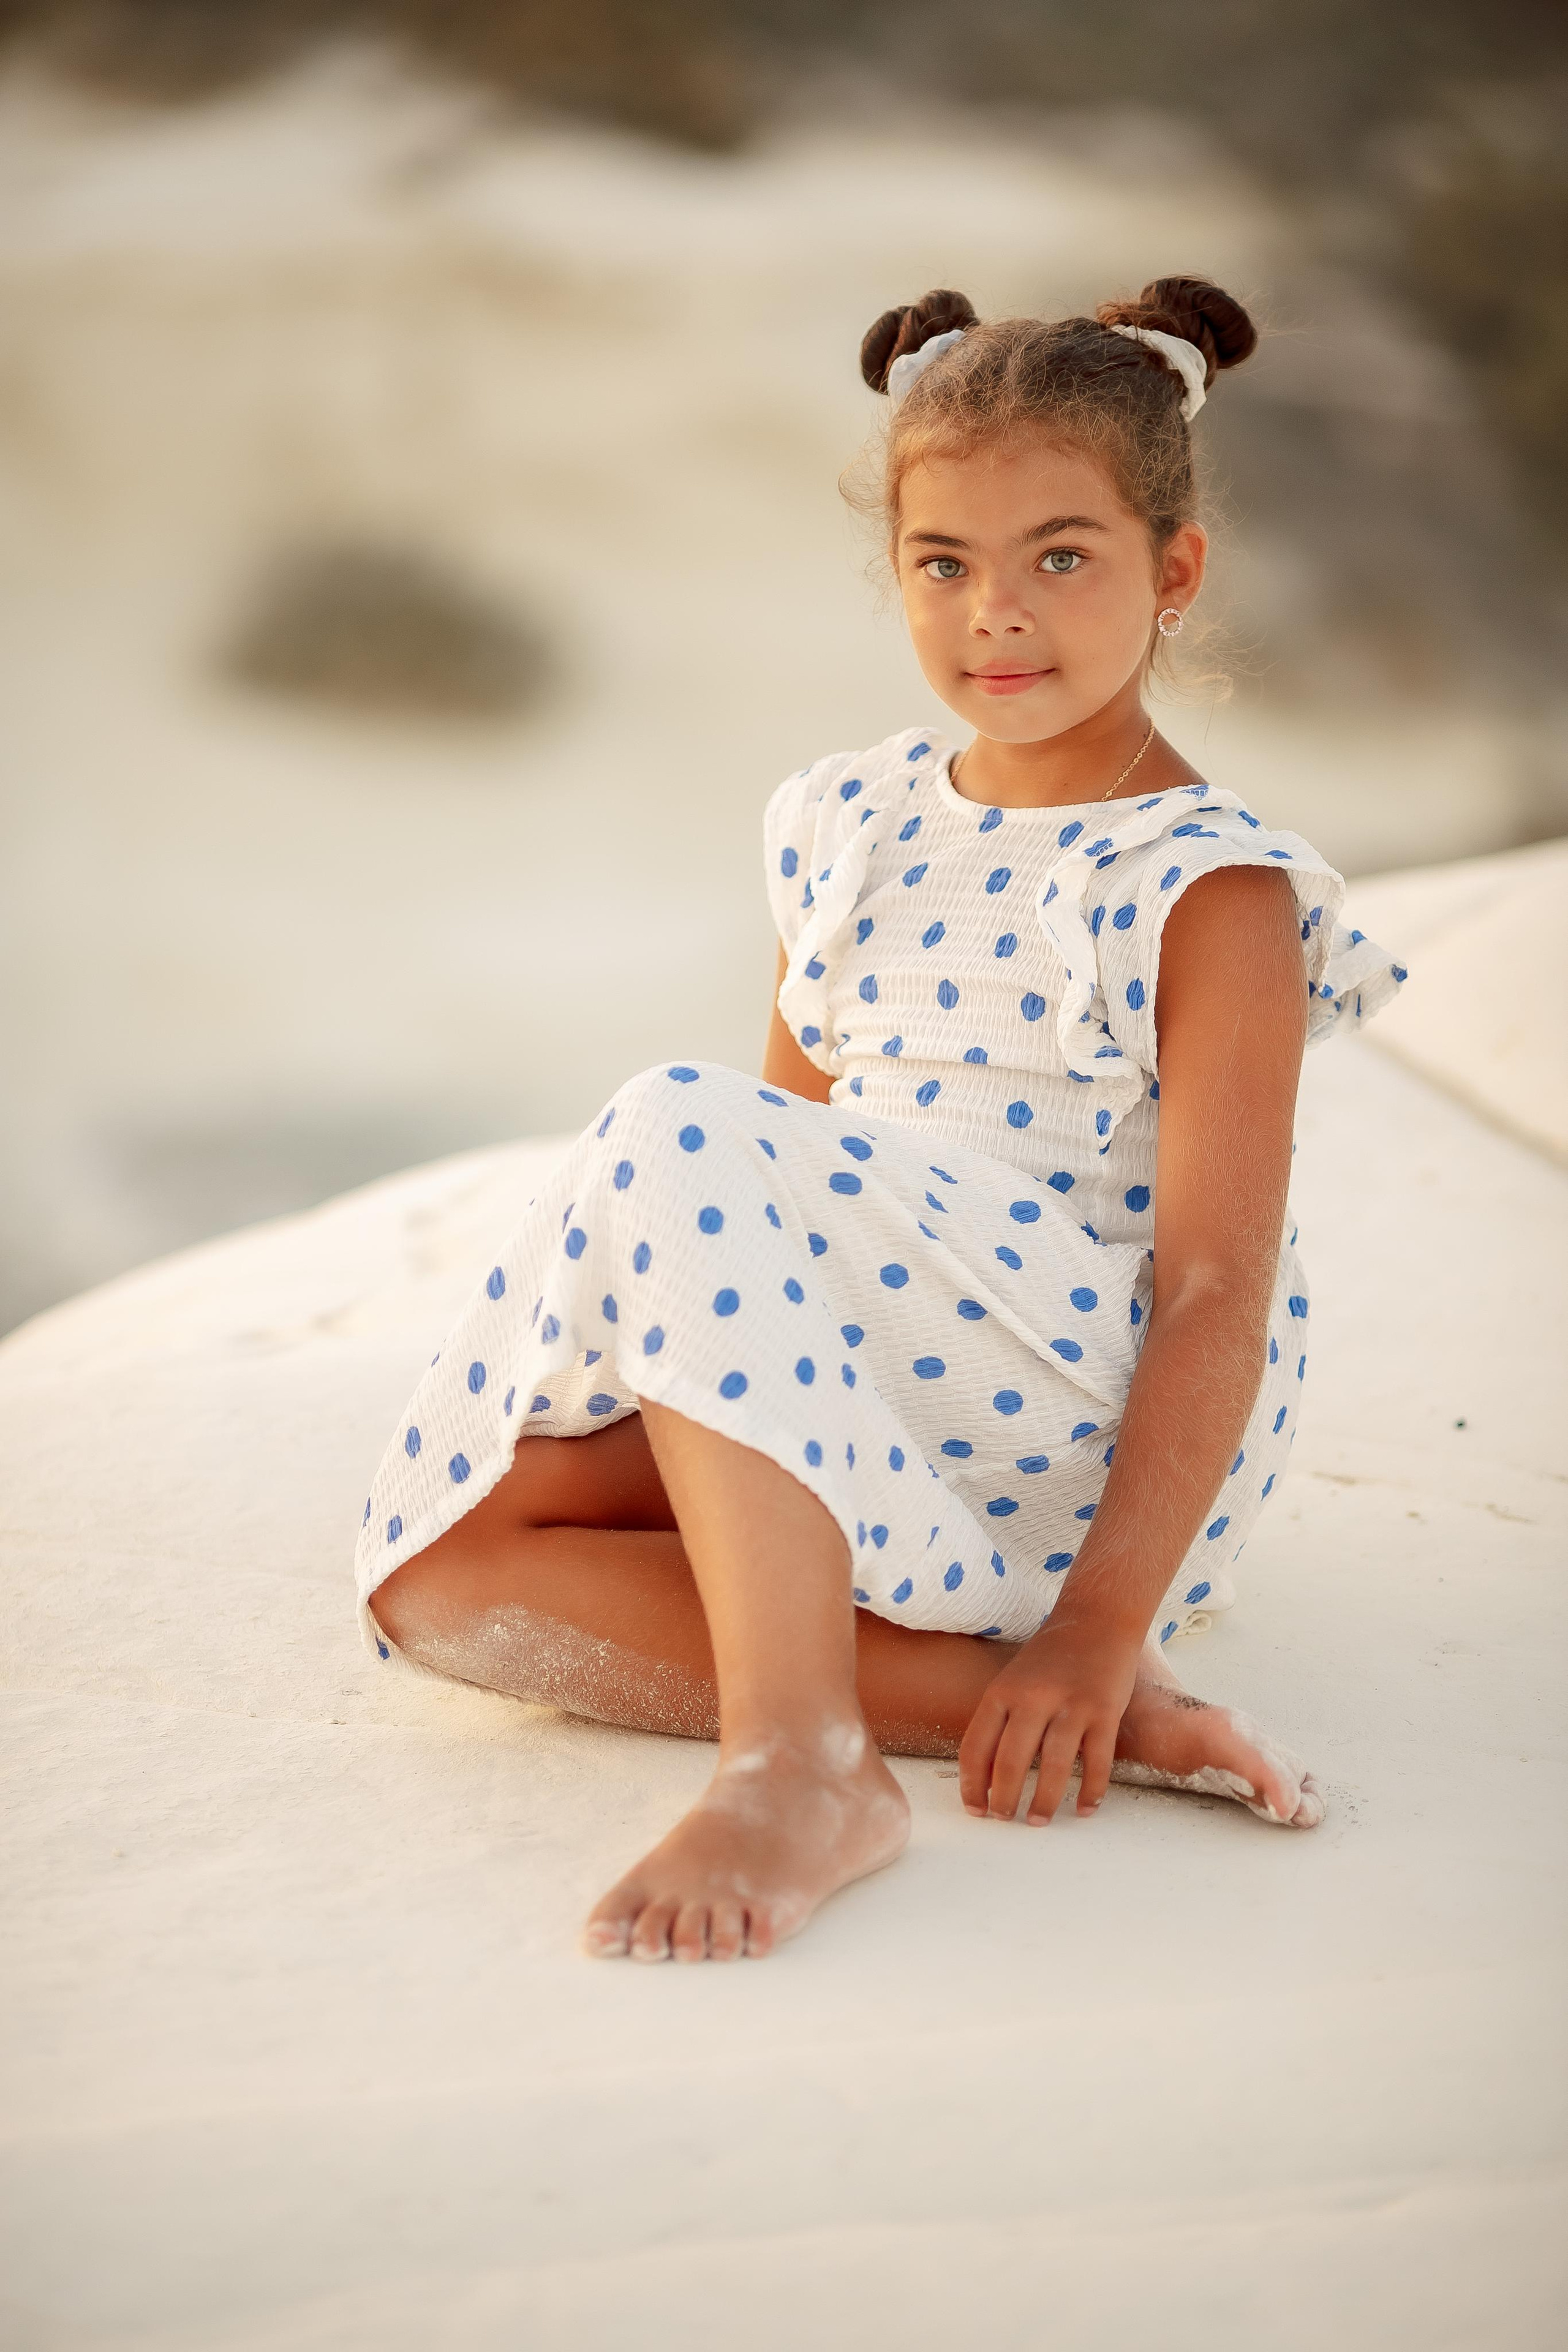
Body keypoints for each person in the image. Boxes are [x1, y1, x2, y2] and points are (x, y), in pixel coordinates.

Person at [358, 275, 1405, 1964]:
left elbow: (1217, 1285)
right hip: (892, 1372)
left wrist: (1101, 1619)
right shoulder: (844, 823)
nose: (997, 615)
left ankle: (806, 1757)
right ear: (898, 571)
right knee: (452, 1575)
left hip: (1085, 1420)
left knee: (670, 1120)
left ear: (1175, 572)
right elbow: (774, 1210)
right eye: (945, 564)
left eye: (1062, 557)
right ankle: (1029, 1706)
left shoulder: (1205, 889)